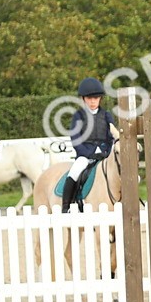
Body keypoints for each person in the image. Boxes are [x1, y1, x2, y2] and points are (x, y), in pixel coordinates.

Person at [61, 77, 116, 212]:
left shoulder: (107, 115)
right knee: (74, 172)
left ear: (100, 99)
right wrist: (87, 153)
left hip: (104, 155)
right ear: (83, 99)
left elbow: (111, 137)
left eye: (96, 98)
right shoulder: (78, 116)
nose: (93, 101)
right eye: (89, 98)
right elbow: (76, 139)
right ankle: (66, 207)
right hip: (85, 155)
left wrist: (106, 152)